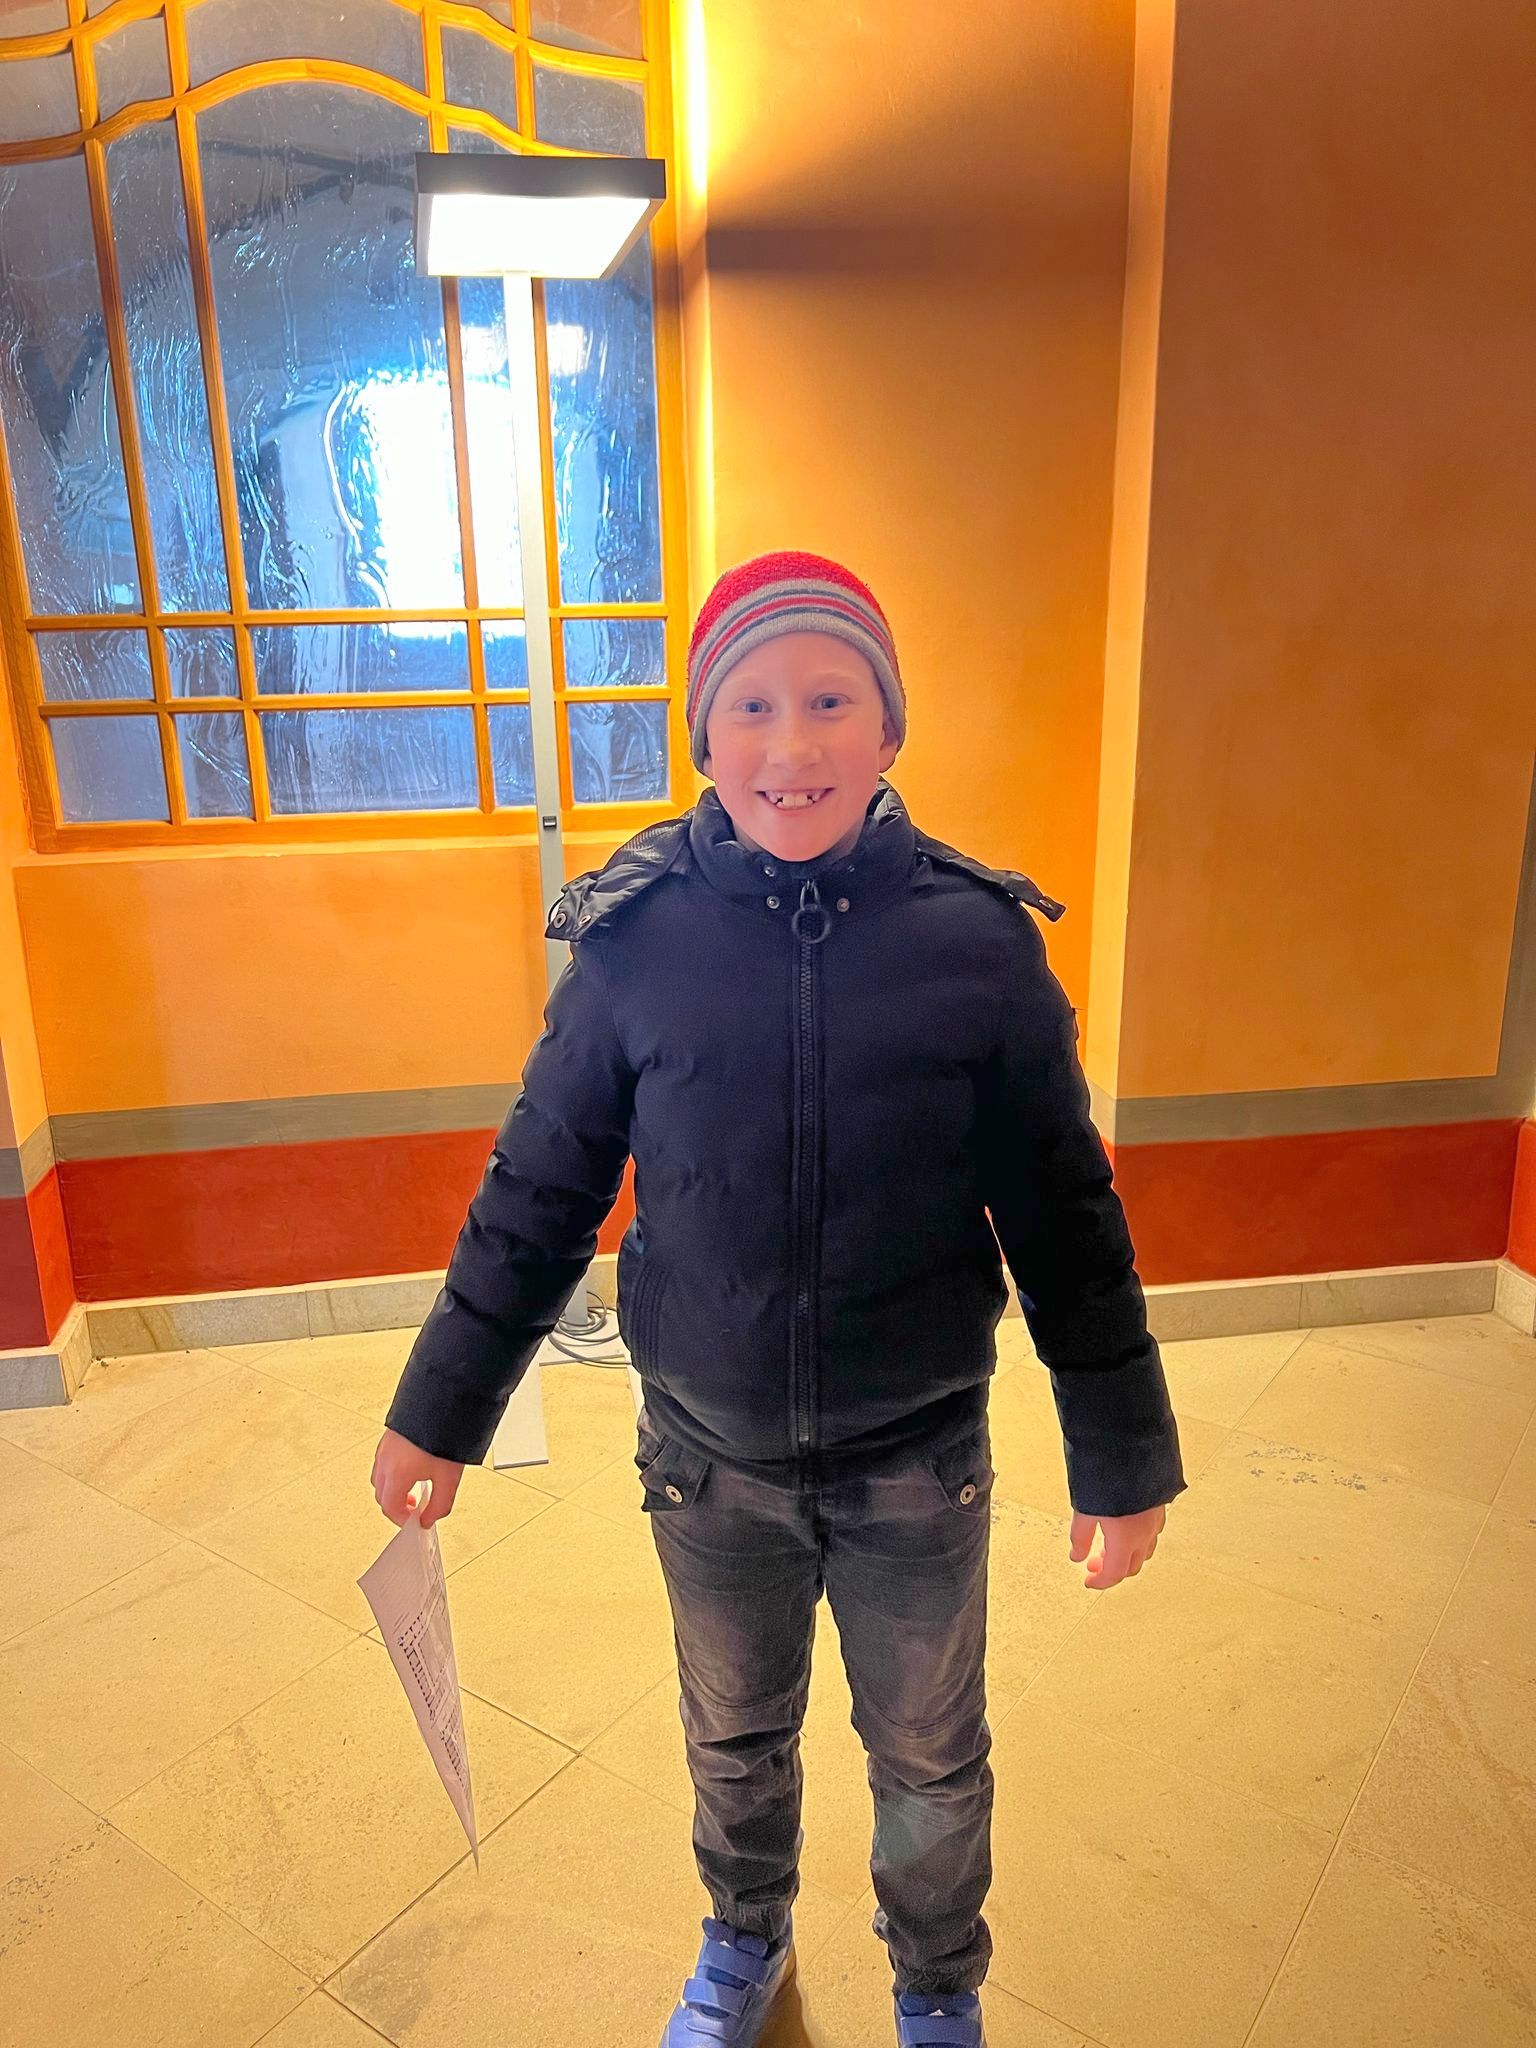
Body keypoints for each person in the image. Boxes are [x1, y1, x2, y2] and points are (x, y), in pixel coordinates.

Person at [372, 550, 1186, 2048]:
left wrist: (1121, 1455)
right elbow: (538, 1192)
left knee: (930, 1758)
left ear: (889, 730)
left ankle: (937, 1983)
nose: (790, 743)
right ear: (703, 735)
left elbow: (1068, 1220)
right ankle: (743, 1938)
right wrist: (439, 1411)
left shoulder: (978, 944)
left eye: (830, 701)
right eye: (750, 705)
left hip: (917, 1460)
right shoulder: (635, 944)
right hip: (709, 1459)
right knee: (734, 1738)